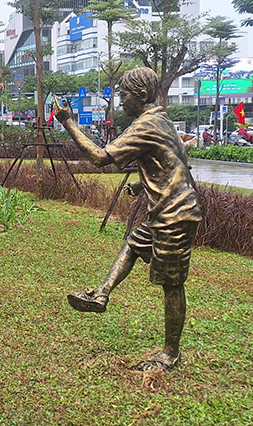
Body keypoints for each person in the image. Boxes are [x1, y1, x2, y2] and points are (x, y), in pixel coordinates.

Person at [53, 67, 201, 372]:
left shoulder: (146, 125)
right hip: (167, 210)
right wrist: (142, 184)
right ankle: (101, 294)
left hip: (175, 214)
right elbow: (175, 161)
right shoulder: (162, 119)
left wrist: (68, 122)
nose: (119, 101)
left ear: (141, 96)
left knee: (172, 285)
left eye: (123, 94)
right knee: (133, 242)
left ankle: (170, 354)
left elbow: (99, 157)